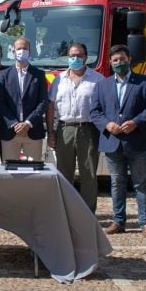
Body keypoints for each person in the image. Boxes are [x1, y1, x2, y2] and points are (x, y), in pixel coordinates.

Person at [91, 44, 146, 236]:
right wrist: (107, 125)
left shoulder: (145, 82)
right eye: (115, 60)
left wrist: (136, 122)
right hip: (113, 141)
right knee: (116, 183)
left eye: (122, 59)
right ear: (110, 63)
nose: (119, 63)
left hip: (137, 141)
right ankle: (118, 221)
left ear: (129, 59)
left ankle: (145, 222)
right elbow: (95, 111)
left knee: (141, 183)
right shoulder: (102, 85)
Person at [46, 42, 103, 211]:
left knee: (89, 173)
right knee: (64, 173)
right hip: (64, 129)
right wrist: (51, 132)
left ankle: (87, 212)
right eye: (72, 56)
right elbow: (50, 107)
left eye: (79, 56)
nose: (75, 59)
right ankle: (65, 209)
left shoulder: (97, 79)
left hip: (88, 129)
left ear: (86, 57)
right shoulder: (59, 79)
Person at [0, 36, 47, 161]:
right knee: (10, 173)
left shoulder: (39, 74)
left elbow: (43, 101)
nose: (22, 51)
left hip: (33, 130)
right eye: (19, 48)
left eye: (25, 48)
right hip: (10, 132)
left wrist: (28, 123)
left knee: (35, 172)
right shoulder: (3, 75)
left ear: (30, 52)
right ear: (13, 52)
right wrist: (14, 124)